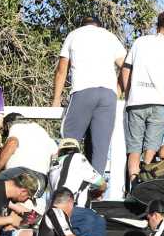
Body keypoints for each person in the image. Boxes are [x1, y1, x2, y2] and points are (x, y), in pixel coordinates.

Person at [51, 15, 127, 173]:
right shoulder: (109, 36)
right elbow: (126, 66)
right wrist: (118, 90)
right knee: (100, 148)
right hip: (108, 95)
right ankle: (96, 192)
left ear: (82, 25)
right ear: (98, 26)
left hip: (83, 90)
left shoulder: (74, 35)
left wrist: (56, 99)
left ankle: (66, 185)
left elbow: (61, 70)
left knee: (70, 142)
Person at [120, 12, 164, 185]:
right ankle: (145, 180)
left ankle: (133, 183)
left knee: (133, 149)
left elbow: (126, 69)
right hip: (159, 102)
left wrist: (128, 94)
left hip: (136, 101)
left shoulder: (140, 42)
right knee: (151, 147)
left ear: (158, 26)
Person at [0, 113, 56, 195]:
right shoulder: (41, 131)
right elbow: (55, 153)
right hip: (41, 180)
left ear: (7, 125)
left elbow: (12, 143)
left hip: (22, 173)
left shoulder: (16, 127)